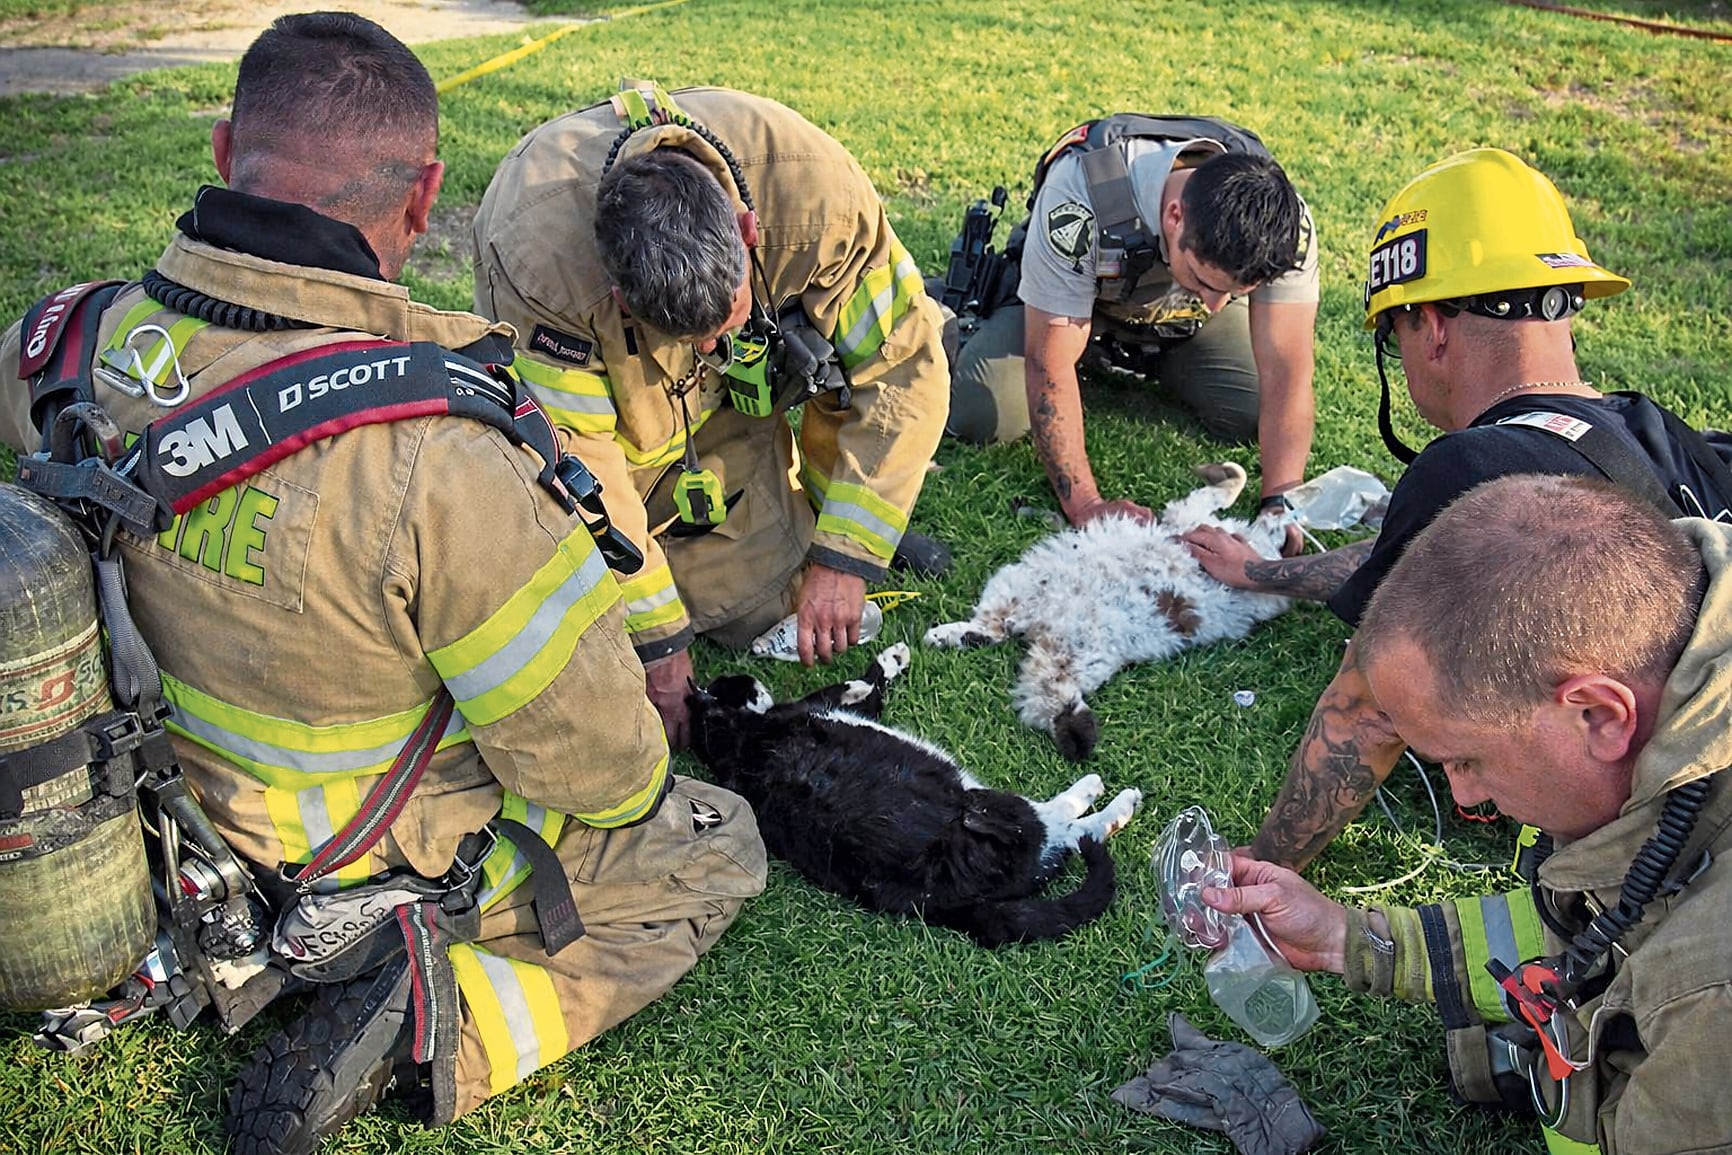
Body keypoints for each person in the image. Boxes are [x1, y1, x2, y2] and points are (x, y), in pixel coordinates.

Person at [0, 14, 765, 1154]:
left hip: (131, 836)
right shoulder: (445, 457)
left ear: (223, 153)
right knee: (707, 843)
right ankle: (429, 1023)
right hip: (325, 873)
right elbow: (603, 771)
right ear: (423, 198)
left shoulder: (59, 345)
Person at [1183, 148, 1732, 870]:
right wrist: (1259, 572)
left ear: (1433, 327)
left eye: (1395, 334)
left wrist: (1267, 861)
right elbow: (1408, 565)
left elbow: (1367, 714)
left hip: (1658, 855)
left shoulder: (1473, 467)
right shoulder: (1654, 431)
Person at [1202, 472, 1732, 1154]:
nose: (1464, 796)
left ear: (1600, 714)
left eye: (1468, 759)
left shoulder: (1710, 991)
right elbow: (1572, 919)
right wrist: (1341, 935)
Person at [471, 83, 952, 748]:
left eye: (723, 321)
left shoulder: (818, 200)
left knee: (753, 607)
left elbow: (905, 371)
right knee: (571, 629)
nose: (707, 349)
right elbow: (582, 464)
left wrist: (846, 557)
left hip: (727, 425)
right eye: (686, 336)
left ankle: (787, 523)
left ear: (749, 231)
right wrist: (659, 644)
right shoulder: (541, 261)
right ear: (618, 294)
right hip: (620, 453)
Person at [945, 113, 1319, 529]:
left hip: (1177, 322)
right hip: (1075, 309)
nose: (1216, 305)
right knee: (982, 413)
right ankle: (955, 323)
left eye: (1233, 293)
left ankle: (1149, 355)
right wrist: (1086, 505)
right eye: (1202, 278)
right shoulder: (1080, 196)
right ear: (1175, 217)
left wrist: (1282, 501)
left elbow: (1287, 369)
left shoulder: (1282, 226)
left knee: (1252, 410)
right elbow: (1047, 363)